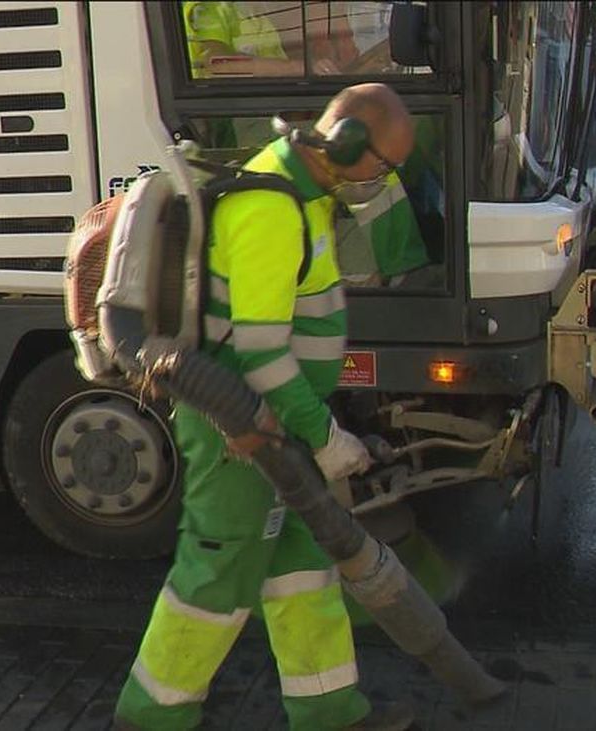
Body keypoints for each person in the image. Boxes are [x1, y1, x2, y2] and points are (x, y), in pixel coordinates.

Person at [113, 83, 418, 731]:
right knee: (217, 570)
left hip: (278, 421)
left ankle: (329, 711)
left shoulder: (308, 193)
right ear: (346, 143)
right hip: (240, 426)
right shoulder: (271, 209)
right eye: (384, 164)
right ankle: (149, 718)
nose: (383, 179)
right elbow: (262, 355)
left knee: (303, 565)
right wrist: (326, 437)